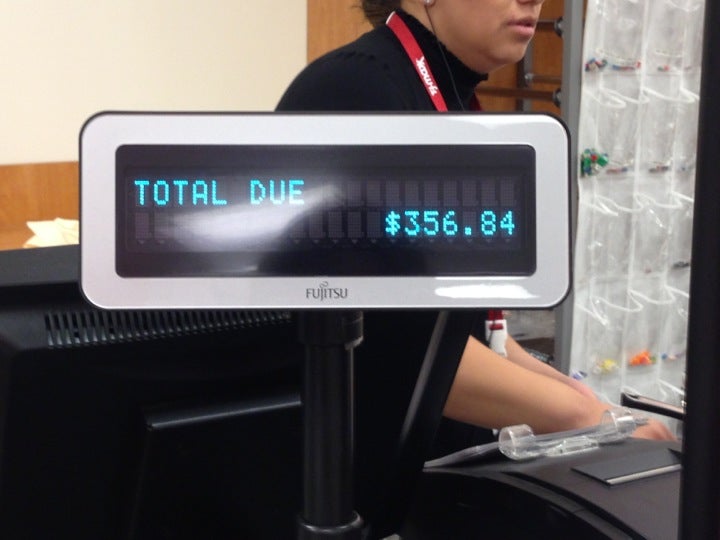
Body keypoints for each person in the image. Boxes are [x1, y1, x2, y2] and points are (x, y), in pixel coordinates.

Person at [277, 0, 674, 453]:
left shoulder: (447, 96)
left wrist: (593, 406)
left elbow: (469, 333)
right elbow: (395, 346)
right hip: (357, 477)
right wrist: (588, 418)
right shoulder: (355, 90)